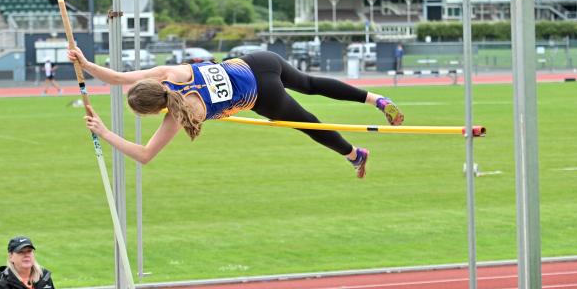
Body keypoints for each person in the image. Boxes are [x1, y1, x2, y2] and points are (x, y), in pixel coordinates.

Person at [68, 47, 404, 179]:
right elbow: (117, 79)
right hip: (256, 60)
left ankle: (354, 154)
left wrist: (104, 131)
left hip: (262, 95)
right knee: (310, 82)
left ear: (155, 110)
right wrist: (85, 63)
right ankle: (375, 99)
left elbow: (144, 155)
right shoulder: (167, 74)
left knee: (311, 124)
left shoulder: (182, 114)